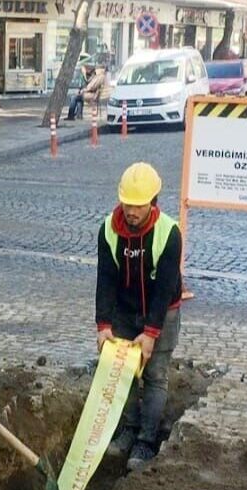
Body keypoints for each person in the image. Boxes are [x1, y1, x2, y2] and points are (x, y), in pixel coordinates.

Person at [96, 163, 182, 471]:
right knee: (122, 373)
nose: (131, 211)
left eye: (138, 205)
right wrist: (103, 325)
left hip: (161, 311)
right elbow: (105, 278)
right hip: (123, 309)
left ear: (153, 202)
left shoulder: (168, 233)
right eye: (127, 203)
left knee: (155, 374)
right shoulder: (108, 229)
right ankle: (128, 429)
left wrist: (151, 333)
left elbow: (165, 289)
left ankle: (146, 441)